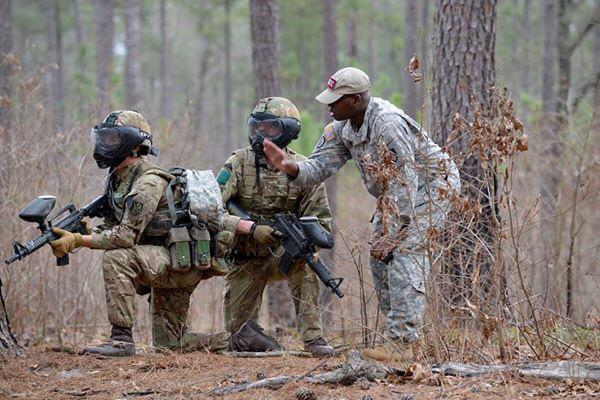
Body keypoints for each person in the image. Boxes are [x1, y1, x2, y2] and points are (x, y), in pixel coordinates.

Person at [263, 67, 461, 362]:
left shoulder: (387, 124)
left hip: (431, 187)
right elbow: (320, 167)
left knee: (405, 251)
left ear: (355, 100)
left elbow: (406, 181)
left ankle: (403, 344)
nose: (329, 106)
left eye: (335, 100)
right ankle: (400, 338)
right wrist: (290, 166)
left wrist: (395, 234)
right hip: (394, 194)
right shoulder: (343, 126)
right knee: (380, 259)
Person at [49, 110, 278, 356]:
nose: (104, 145)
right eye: (102, 138)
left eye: (112, 139)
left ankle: (121, 340)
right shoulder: (119, 178)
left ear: (132, 144)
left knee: (116, 259)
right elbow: (121, 225)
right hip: (170, 258)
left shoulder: (147, 182)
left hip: (179, 260)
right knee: (170, 344)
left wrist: (79, 240)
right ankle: (243, 340)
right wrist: (90, 232)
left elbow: (125, 237)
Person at [217, 97, 335, 357]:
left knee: (306, 261)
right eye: (255, 127)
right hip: (245, 255)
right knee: (239, 336)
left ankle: (313, 339)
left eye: (270, 129)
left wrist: (298, 237)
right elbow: (211, 211)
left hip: (283, 253)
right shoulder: (238, 163)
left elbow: (321, 221)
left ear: (288, 132)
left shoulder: (303, 170)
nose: (260, 134)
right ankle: (262, 341)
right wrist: (248, 227)